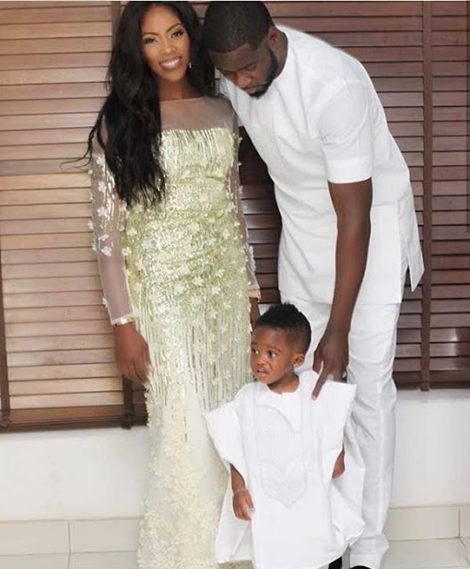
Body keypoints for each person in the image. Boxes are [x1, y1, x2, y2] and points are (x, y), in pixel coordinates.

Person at [202, 3, 424, 569]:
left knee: (366, 394)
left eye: (248, 68)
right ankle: (317, 537)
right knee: (302, 391)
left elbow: (355, 217)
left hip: (366, 238)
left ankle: (367, 548)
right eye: (229, 73)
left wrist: (338, 330)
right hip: (302, 234)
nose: (240, 82)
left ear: (274, 39)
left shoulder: (334, 86)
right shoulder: (232, 73)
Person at [87, 2, 260, 568]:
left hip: (223, 292)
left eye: (177, 33)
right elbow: (107, 238)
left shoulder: (222, 111)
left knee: (229, 422)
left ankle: (231, 553)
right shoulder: (118, 124)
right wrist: (123, 324)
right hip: (160, 297)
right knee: (183, 429)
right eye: (152, 39)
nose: (168, 49)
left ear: (192, 37)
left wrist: (251, 292)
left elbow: (233, 209)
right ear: (135, 50)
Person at [206, 303, 366, 569]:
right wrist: (239, 488)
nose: (259, 359)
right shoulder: (247, 399)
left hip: (311, 498)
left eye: (271, 353)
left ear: (297, 360)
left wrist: (335, 455)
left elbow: (332, 426)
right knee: (275, 552)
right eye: (254, 350)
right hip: (267, 502)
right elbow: (236, 448)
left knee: (316, 547)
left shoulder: (313, 393)